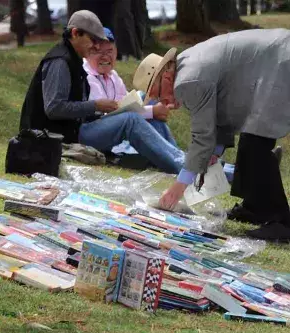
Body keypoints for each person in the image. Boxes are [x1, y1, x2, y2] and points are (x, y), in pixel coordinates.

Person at [133, 29, 290, 241]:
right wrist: (214, 151)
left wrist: (178, 188)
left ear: (167, 76)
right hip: (274, 58)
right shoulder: (186, 69)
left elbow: (202, 136)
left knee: (256, 143)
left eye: (159, 94)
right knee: (250, 138)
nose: (164, 103)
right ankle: (256, 207)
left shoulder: (187, 82)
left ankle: (282, 222)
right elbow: (221, 114)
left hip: (280, 62)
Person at [83, 27, 235, 180]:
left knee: (145, 103)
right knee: (132, 119)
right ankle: (182, 162)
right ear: (87, 53)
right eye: (98, 52)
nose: (105, 56)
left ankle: (176, 155)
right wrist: (151, 111)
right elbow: (109, 116)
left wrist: (150, 108)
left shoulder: (113, 75)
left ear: (116, 50)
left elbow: (123, 106)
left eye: (109, 51)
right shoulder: (87, 76)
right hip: (89, 130)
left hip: (110, 129)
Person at [19, 10, 118, 143]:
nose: (97, 46)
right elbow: (54, 108)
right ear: (75, 33)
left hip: (69, 132)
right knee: (130, 121)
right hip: (48, 138)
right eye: (93, 40)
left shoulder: (74, 59)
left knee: (129, 119)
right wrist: (95, 106)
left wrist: (99, 112)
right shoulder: (60, 61)